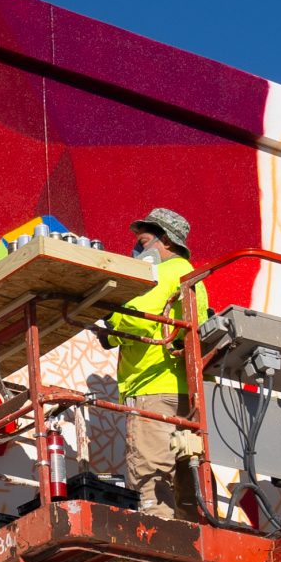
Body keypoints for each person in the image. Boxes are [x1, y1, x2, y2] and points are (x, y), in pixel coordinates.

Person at [93, 207, 208, 518]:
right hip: (184, 394)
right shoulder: (192, 275)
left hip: (152, 390)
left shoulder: (165, 271)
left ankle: (158, 540)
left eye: (143, 243)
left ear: (165, 241)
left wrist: (109, 320)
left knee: (152, 482)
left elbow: (141, 321)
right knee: (185, 490)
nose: (137, 251)